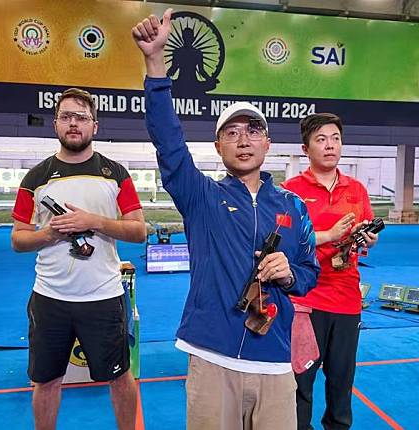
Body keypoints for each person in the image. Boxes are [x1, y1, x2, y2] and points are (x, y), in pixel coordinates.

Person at [132, 10, 320, 430]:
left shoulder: (293, 206)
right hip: (212, 356)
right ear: (218, 146)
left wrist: (289, 275)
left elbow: (311, 273)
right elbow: (168, 141)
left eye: (253, 130)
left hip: (274, 362)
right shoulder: (202, 197)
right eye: (231, 133)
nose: (243, 139)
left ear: (267, 143)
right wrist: (155, 63)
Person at [11, 87, 146, 430]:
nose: (74, 124)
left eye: (81, 117)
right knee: (46, 380)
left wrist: (94, 222)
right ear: (55, 124)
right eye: (66, 117)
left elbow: (139, 231)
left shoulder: (116, 174)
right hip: (50, 299)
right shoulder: (35, 179)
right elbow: (17, 239)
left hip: (103, 296)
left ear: (95, 126)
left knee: (119, 377)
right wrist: (50, 234)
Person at [280, 113, 379, 430]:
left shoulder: (357, 190)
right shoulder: (289, 192)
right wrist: (327, 235)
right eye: (321, 139)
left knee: (341, 383)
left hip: (347, 301)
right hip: (304, 303)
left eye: (335, 138)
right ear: (305, 148)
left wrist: (367, 238)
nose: (330, 145)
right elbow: (282, 243)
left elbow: (359, 240)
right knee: (300, 384)